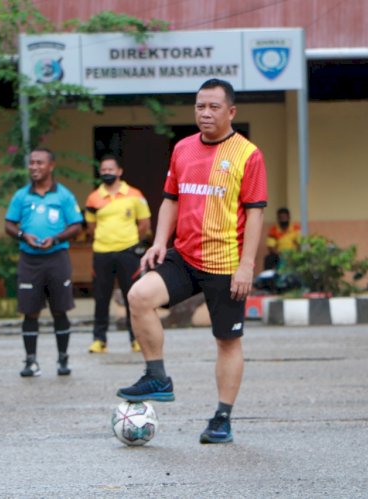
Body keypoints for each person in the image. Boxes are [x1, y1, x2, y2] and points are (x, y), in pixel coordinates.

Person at [115, 78, 267, 444]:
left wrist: (247, 265)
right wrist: (158, 243)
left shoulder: (248, 155)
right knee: (139, 297)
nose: (205, 113)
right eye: (200, 106)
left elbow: (256, 213)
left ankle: (222, 419)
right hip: (183, 256)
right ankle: (157, 376)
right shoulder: (182, 149)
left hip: (226, 263)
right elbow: (171, 199)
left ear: (230, 112)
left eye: (214, 107)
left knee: (226, 341)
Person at [4, 147, 83, 377]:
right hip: (29, 260)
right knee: (30, 312)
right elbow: (9, 224)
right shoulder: (21, 195)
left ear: (51, 166)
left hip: (57, 259)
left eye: (39, 163)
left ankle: (63, 360)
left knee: (60, 310)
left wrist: (57, 238)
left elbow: (77, 225)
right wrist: (22, 235)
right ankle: (30, 362)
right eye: (31, 163)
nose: (34, 167)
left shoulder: (64, 195)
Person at [84, 153, 151, 354]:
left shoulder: (135, 194)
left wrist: (127, 240)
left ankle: (136, 340)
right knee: (101, 298)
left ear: (119, 171)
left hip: (128, 253)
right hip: (102, 253)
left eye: (110, 169)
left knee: (133, 297)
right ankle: (99, 340)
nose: (107, 173)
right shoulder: (93, 197)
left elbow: (144, 224)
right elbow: (90, 227)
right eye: (103, 170)